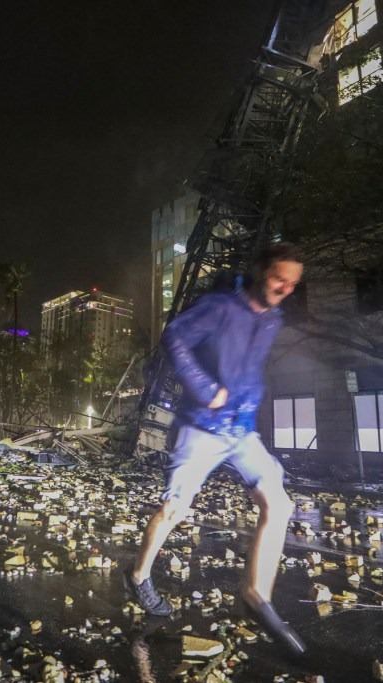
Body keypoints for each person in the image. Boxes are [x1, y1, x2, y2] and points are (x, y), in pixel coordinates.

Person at [125, 241, 306, 656]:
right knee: (175, 510)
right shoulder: (220, 306)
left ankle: (255, 596)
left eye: (293, 283)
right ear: (261, 270)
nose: (285, 288)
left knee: (278, 505)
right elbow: (174, 335)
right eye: (279, 278)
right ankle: (137, 576)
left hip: (242, 431)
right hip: (202, 426)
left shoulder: (274, 318)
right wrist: (205, 389)